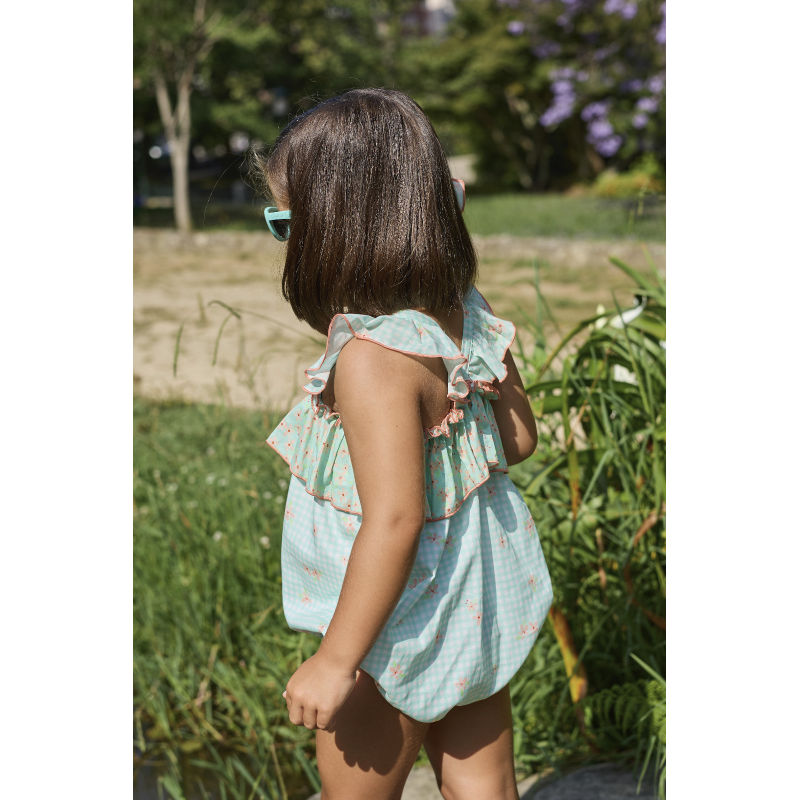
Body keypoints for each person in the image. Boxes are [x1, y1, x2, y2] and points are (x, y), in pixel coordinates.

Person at [254, 88, 553, 800]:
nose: (286, 242)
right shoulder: (464, 311)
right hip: (472, 607)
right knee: (486, 789)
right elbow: (518, 440)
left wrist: (336, 660)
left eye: (284, 223)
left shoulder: (370, 361)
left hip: (388, 631)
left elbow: (394, 519)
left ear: (335, 229)